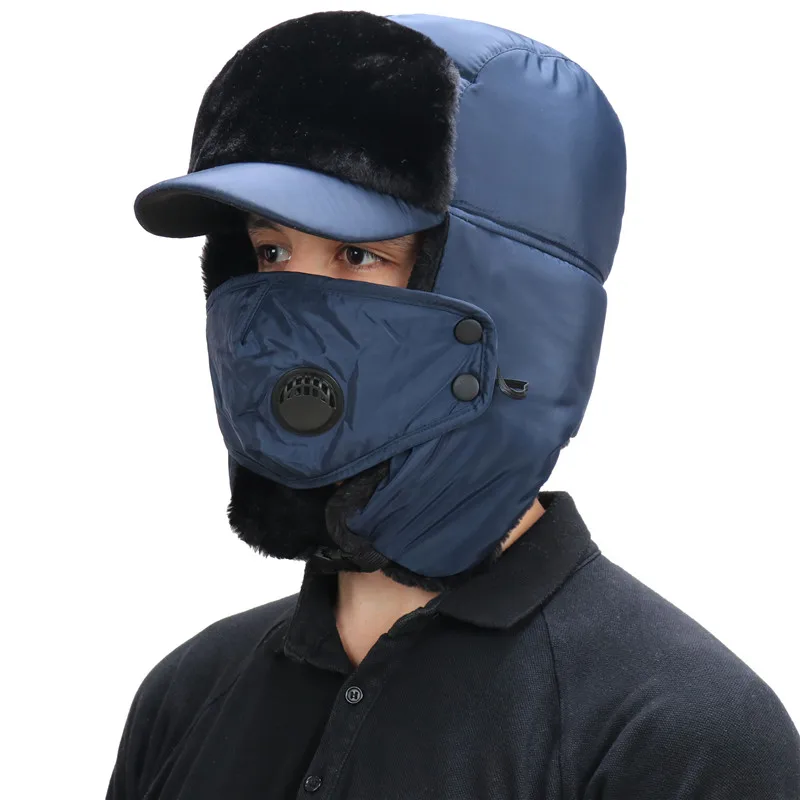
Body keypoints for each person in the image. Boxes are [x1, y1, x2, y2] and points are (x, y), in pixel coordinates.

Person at [107, 10, 800, 799]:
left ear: (514, 307)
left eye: (358, 253)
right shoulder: (187, 693)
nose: (287, 313)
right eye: (271, 251)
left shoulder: (680, 736)